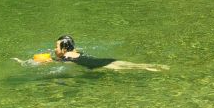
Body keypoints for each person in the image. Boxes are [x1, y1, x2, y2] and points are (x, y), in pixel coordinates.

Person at [21, 35, 167, 72]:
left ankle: (149, 68)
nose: (54, 50)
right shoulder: (77, 52)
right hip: (103, 60)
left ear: (64, 50)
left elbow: (45, 62)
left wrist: (23, 62)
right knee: (131, 65)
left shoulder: (64, 58)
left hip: (98, 66)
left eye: (56, 47)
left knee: (123, 69)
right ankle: (151, 65)